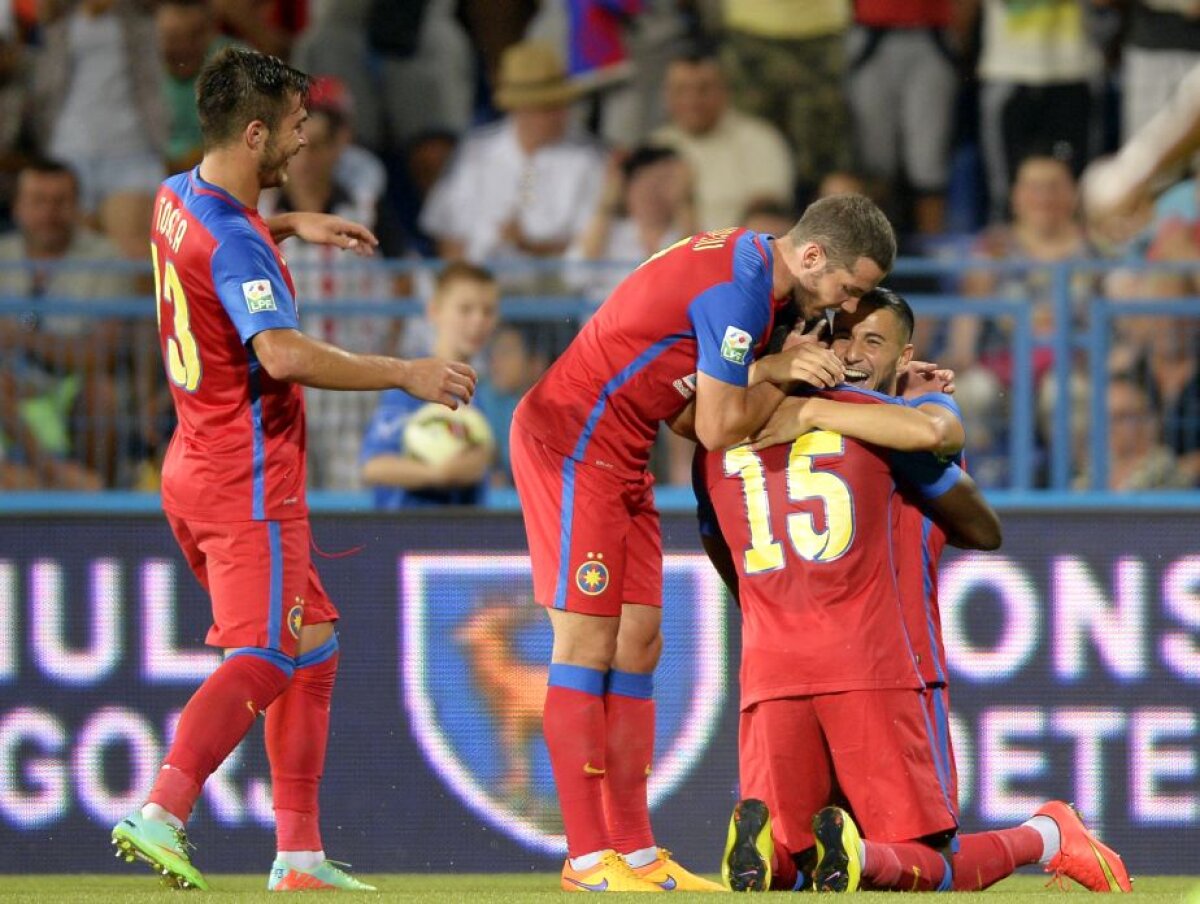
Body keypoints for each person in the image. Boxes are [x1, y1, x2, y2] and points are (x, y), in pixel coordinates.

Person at [109, 46, 476, 892]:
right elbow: (276, 353)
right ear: (253, 132)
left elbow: (216, 243)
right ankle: (161, 808)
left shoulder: (178, 197)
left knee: (313, 646)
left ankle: (299, 856)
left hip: (192, 462)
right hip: (247, 480)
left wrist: (291, 225)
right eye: (296, 125)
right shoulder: (235, 241)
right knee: (269, 654)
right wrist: (404, 371)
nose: (306, 139)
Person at [510, 194, 895, 892]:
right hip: (568, 445)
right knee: (586, 646)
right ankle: (587, 858)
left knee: (639, 644)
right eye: (849, 288)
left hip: (620, 457)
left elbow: (688, 418)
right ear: (811, 257)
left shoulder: (764, 289)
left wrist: (772, 370)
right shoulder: (741, 288)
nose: (847, 305)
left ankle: (634, 851)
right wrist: (781, 376)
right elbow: (717, 429)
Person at [704, 291, 1131, 894]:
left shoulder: (717, 438)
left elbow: (725, 553)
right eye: (841, 337)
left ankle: (792, 857)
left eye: (870, 341)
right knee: (900, 859)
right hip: (864, 660)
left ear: (903, 353)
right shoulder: (878, 428)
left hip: (840, 661)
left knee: (847, 850)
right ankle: (1044, 835)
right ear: (814, 345)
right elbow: (975, 513)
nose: (851, 353)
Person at [0, 159, 140, 487]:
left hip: (69, 388)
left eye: (60, 201)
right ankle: (58, 478)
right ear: (18, 207)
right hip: (6, 389)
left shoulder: (106, 259)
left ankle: (99, 507)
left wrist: (22, 339)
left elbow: (102, 355)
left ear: (77, 207)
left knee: (103, 394)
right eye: (38, 201)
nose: (49, 212)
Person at [419, 40, 606, 272]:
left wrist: (529, 246)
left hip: (559, 293)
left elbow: (592, 247)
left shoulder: (588, 159)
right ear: (521, 109)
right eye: (547, 107)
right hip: (481, 289)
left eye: (561, 104)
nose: (561, 114)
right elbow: (449, 235)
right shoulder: (476, 153)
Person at [360, 262, 499, 508]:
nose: (478, 321)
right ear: (434, 311)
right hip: (410, 536)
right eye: (465, 310)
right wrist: (441, 475)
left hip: (463, 538)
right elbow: (374, 467)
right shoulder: (411, 383)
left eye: (488, 311)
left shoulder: (480, 389)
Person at [650, 50, 794, 231]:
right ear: (666, 96)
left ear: (725, 91)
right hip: (667, 254)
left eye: (703, 89)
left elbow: (767, 218)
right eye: (681, 90)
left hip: (740, 253)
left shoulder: (760, 140)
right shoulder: (654, 147)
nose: (692, 100)